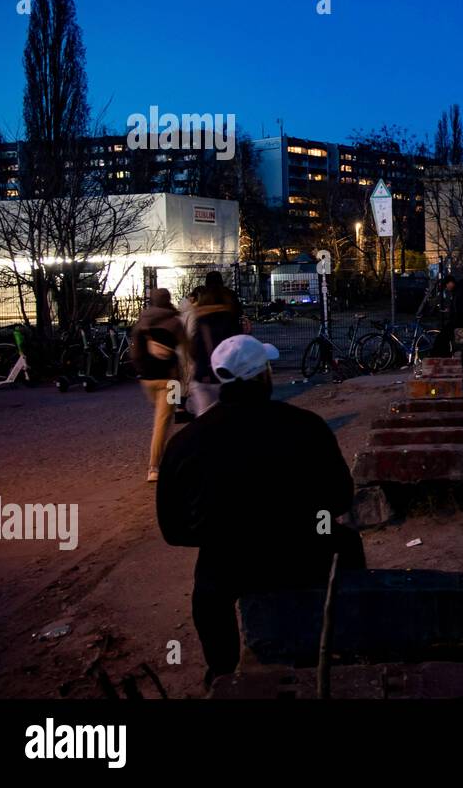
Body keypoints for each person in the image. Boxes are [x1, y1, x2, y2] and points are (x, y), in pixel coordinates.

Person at [156, 335, 365, 686]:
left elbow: (173, 529)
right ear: (263, 376)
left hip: (229, 563)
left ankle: (221, 670)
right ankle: (348, 639)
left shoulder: (186, 442)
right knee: (346, 544)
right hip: (303, 552)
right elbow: (341, 496)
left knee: (208, 587)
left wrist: (220, 532)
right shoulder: (306, 426)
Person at [130, 289, 187, 483]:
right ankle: (154, 466)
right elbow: (187, 350)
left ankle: (160, 457)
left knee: (162, 417)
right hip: (170, 380)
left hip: (147, 379)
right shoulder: (175, 322)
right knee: (163, 421)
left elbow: (135, 353)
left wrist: (141, 371)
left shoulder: (142, 321)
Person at [188, 274, 243, 416]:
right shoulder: (230, 311)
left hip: (205, 372)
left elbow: (196, 346)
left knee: (204, 416)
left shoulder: (201, 316)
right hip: (229, 370)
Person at [437, 275, 463, 357]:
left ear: (451, 283)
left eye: (446, 285)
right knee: (443, 336)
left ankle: (441, 356)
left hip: (462, 322)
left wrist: (452, 318)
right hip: (462, 320)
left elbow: (461, 311)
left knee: (442, 336)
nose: (447, 288)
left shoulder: (460, 293)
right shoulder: (459, 291)